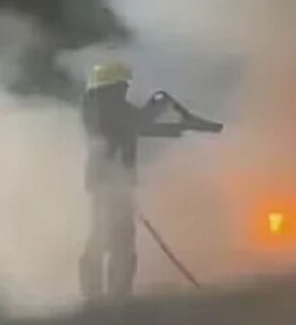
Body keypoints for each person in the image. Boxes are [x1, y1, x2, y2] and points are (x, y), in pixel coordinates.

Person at [79, 60, 219, 302]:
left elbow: (140, 127)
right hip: (108, 183)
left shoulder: (105, 109)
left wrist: (178, 128)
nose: (125, 90)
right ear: (110, 87)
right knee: (109, 240)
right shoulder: (102, 110)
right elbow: (137, 123)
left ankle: (114, 296)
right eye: (122, 86)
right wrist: (160, 104)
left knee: (116, 241)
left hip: (114, 183)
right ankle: (103, 297)